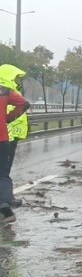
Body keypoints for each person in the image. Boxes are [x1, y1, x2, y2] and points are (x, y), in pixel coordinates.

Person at [0, 70, 29, 223]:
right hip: (3, 139)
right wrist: (9, 117)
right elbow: (24, 104)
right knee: (3, 174)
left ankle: (6, 210)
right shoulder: (4, 90)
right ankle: (6, 210)